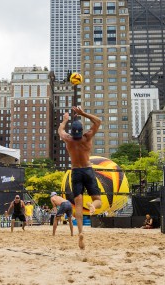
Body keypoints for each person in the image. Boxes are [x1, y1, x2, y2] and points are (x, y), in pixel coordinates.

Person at [58, 105, 102, 250]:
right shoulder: (87, 137)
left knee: (77, 204)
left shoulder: (68, 139)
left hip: (75, 172)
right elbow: (98, 121)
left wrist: (65, 120)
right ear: (82, 131)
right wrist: (84, 113)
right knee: (98, 201)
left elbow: (60, 131)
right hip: (88, 170)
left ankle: (81, 232)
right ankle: (92, 206)